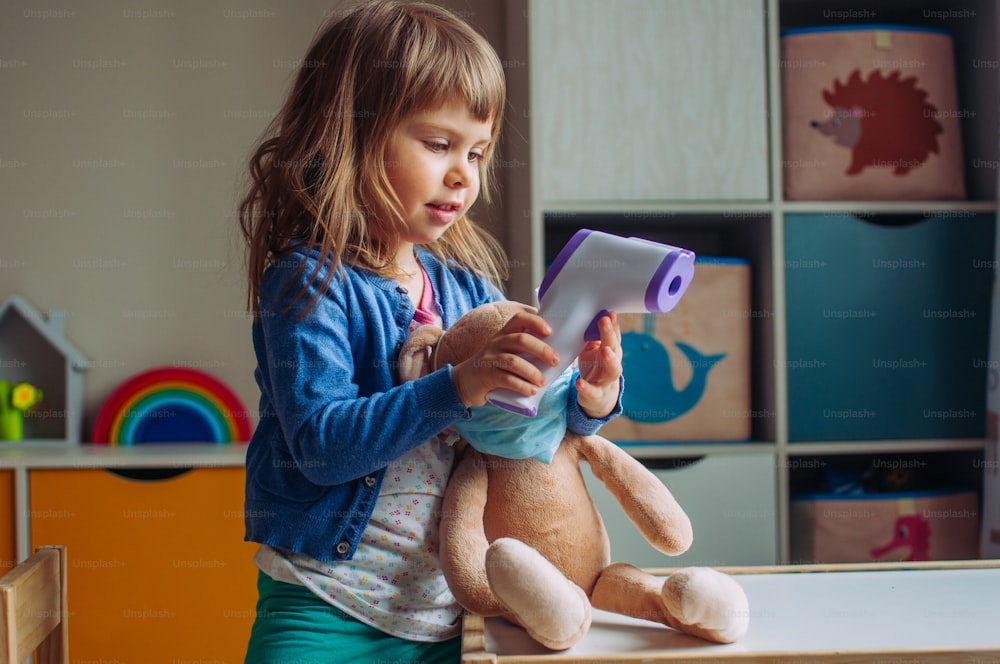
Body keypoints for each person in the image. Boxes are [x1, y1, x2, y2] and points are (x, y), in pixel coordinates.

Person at [237, 1, 624, 662]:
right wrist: (458, 384)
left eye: (476, 152)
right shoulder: (310, 283)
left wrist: (588, 400)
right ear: (348, 135)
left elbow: (519, 429)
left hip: (448, 616)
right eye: (438, 144)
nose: (462, 174)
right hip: (324, 607)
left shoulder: (466, 287)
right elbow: (323, 448)